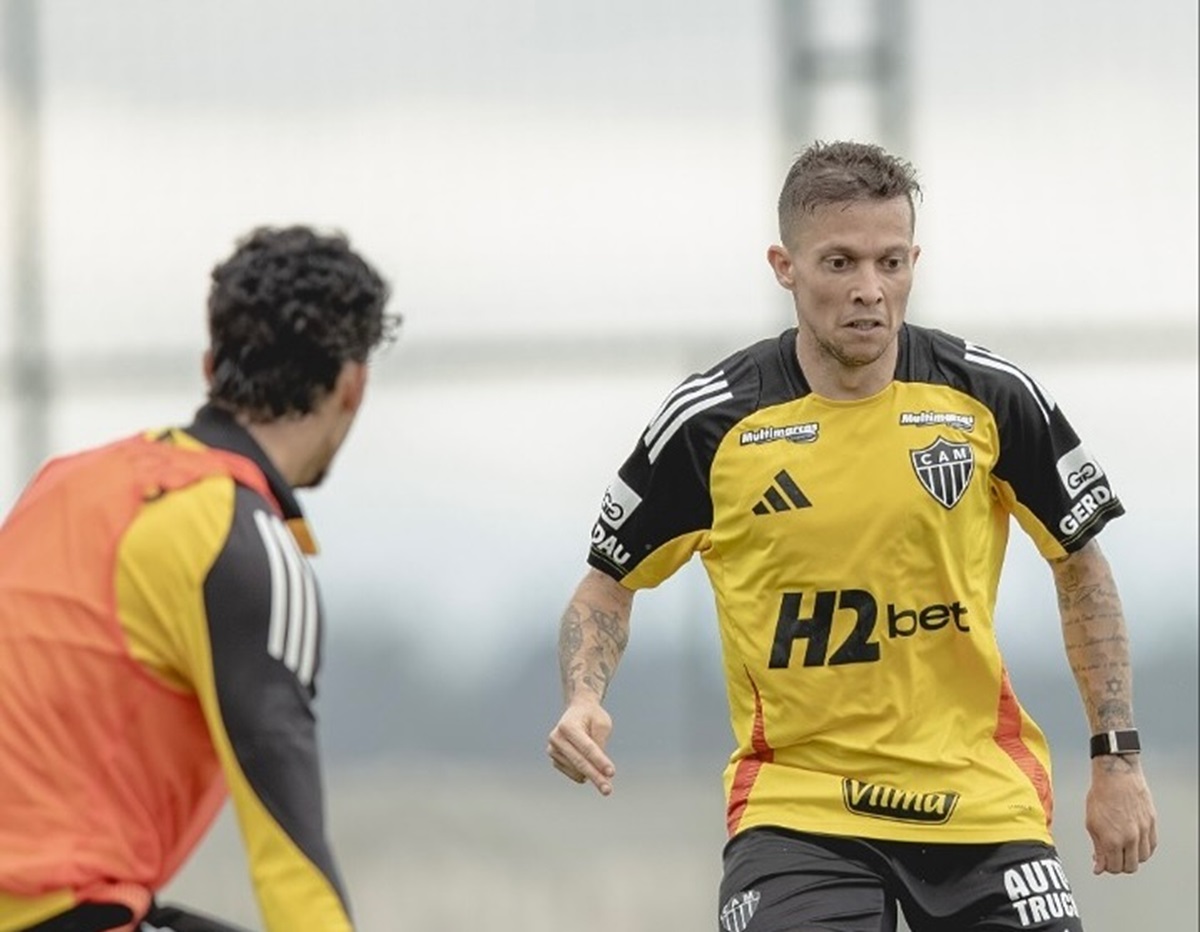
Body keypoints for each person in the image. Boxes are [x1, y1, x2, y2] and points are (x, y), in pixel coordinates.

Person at [546, 140, 1158, 931]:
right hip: (799, 810)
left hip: (979, 802)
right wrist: (582, 698)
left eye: (891, 262)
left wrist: (1116, 755)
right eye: (839, 263)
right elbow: (607, 585)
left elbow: (1081, 567)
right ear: (784, 265)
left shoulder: (989, 398)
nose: (870, 290)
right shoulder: (711, 424)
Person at [0, 226, 397, 932]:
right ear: (352, 385)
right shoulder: (242, 542)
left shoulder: (63, 484)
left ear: (210, 365)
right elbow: (290, 852)